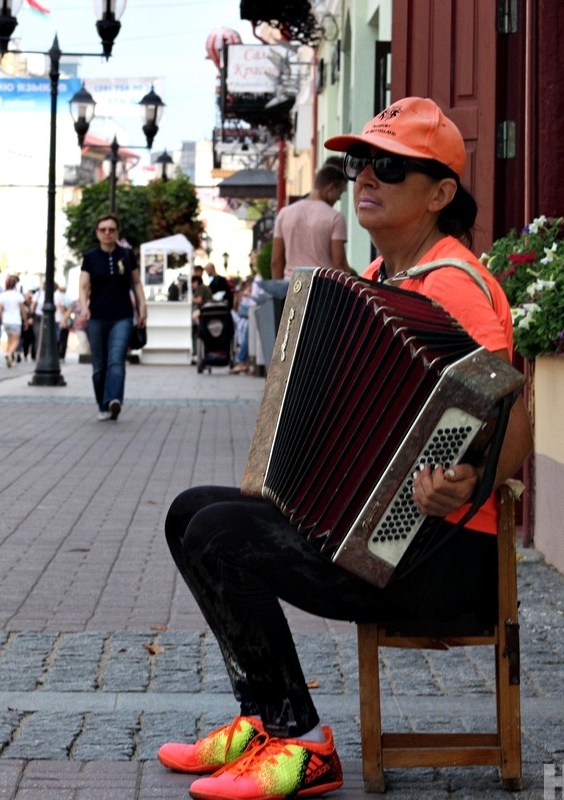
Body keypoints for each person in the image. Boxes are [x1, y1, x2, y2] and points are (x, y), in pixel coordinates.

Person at [157, 97, 534, 800]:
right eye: (362, 163)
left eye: (389, 167)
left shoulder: (456, 286)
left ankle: (299, 743)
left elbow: (514, 416)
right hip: (388, 541)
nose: (366, 177)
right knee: (190, 513)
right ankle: (262, 719)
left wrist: (469, 475)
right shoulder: (390, 280)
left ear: (441, 194)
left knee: (217, 531)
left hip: (438, 555)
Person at [78, 213, 146, 421]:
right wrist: (84, 308)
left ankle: (114, 400)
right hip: (97, 317)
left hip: (122, 317)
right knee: (99, 366)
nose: (107, 233)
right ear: (97, 233)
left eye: (111, 229)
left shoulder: (126, 255)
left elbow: (136, 283)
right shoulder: (90, 258)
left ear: (117, 232)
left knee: (116, 360)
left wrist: (142, 307)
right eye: (103, 230)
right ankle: (103, 405)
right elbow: (83, 286)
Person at [270, 157, 350, 281]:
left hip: (292, 286)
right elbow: (339, 263)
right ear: (331, 187)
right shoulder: (335, 217)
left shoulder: (284, 214)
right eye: (339, 192)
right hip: (322, 287)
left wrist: (280, 292)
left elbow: (276, 261)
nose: (339, 199)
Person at [0, 274, 25, 367]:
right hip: (16, 320)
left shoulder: (2, 295)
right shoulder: (18, 295)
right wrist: (25, 320)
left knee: (10, 340)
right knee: (16, 341)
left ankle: (10, 359)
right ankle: (9, 354)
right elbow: (23, 309)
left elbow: (0, 310)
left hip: (6, 320)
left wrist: (1, 318)